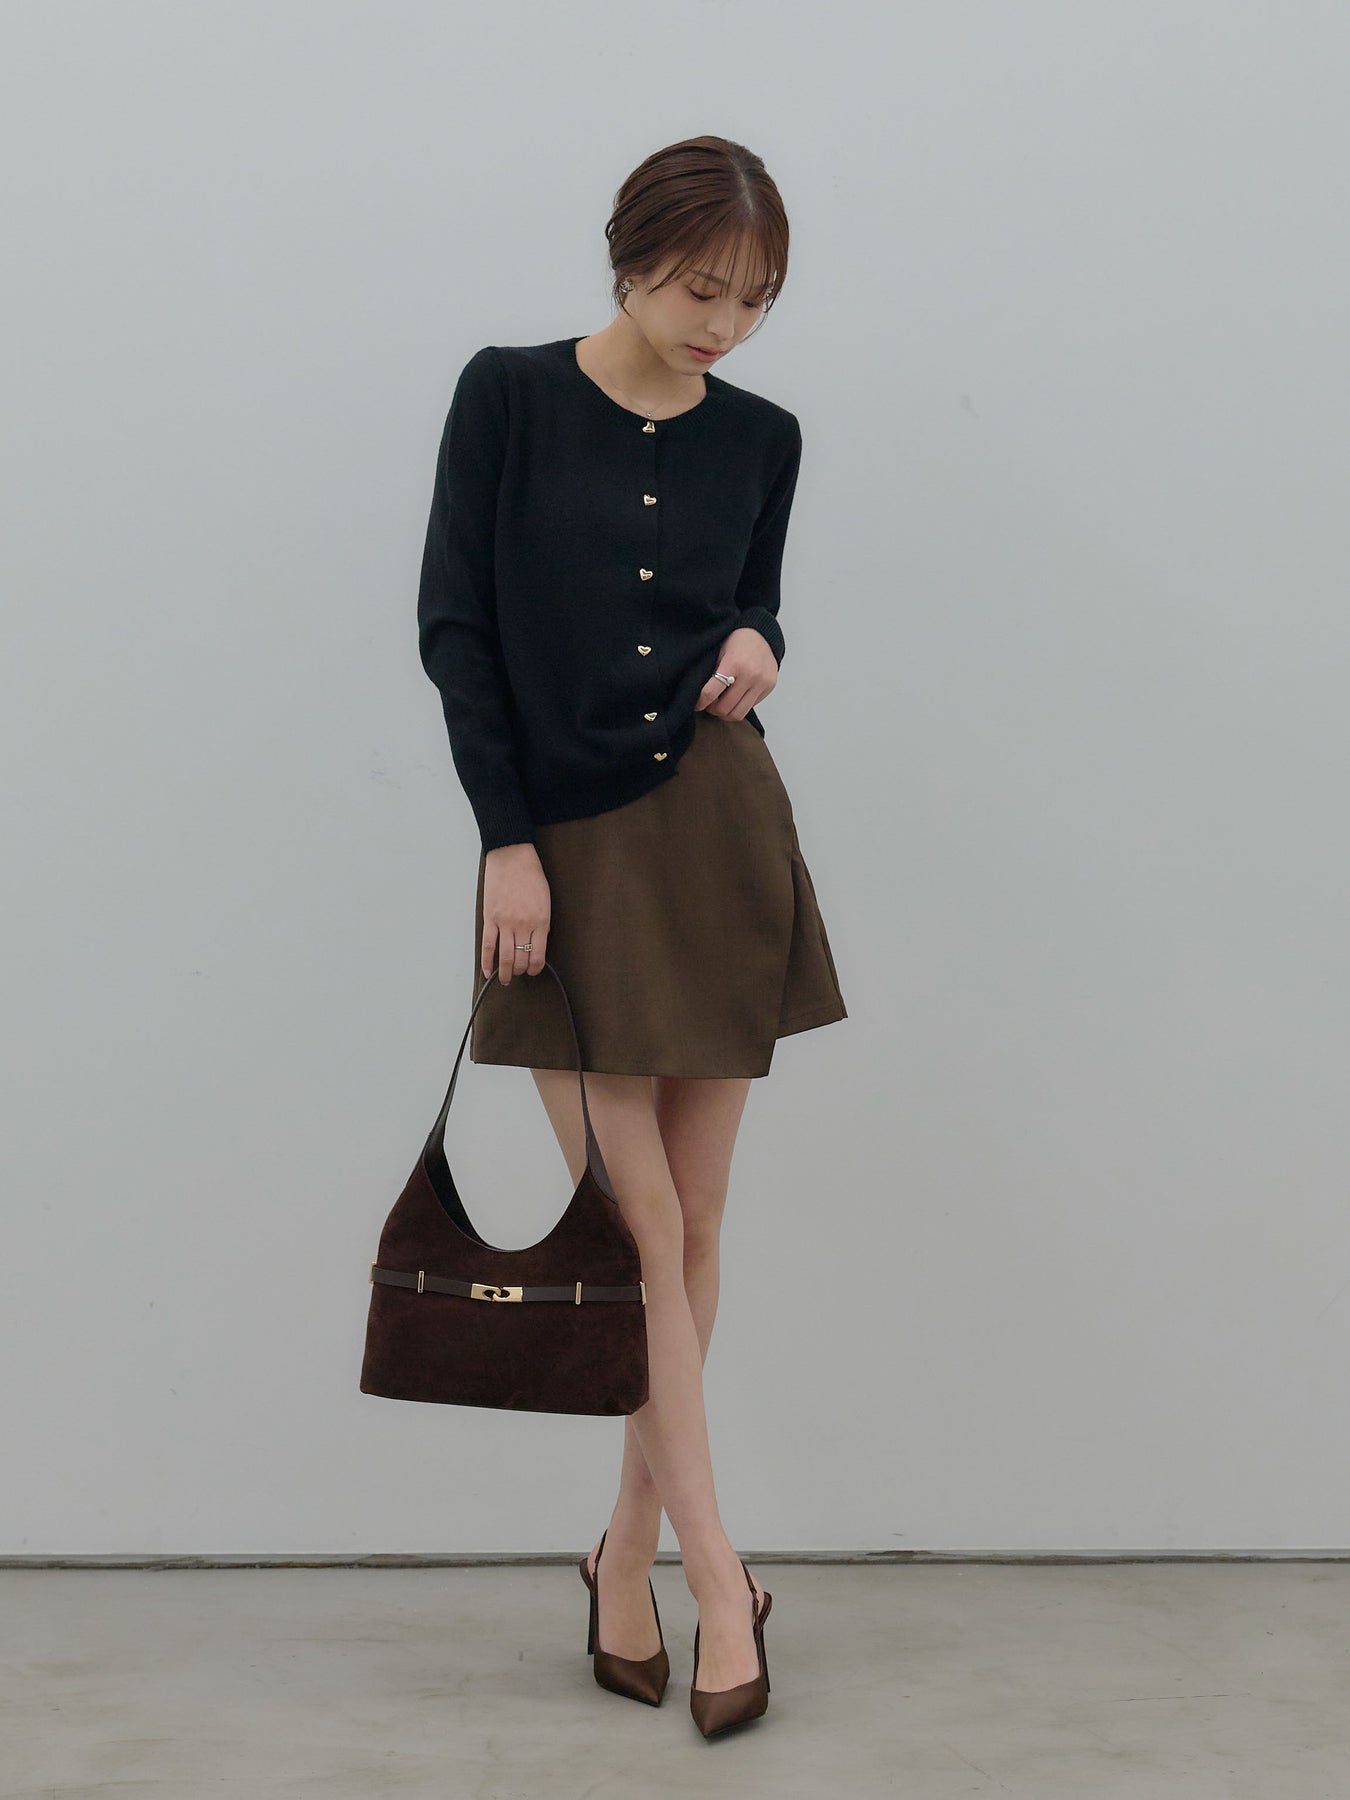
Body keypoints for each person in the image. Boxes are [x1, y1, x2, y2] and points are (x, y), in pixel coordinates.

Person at [416, 134, 848, 1738]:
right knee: (637, 1223)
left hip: (718, 831)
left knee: (695, 1220)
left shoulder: (764, 436)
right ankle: (718, 1575)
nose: (721, 326)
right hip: (567, 850)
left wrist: (760, 639)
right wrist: (504, 843)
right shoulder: (509, 396)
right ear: (627, 259)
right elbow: (456, 628)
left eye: (753, 300)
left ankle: (623, 1552)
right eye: (696, 290)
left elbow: (757, 600)